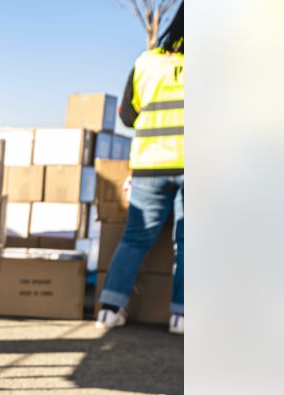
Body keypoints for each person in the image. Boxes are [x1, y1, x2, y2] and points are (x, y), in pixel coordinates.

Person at [96, 4, 184, 335]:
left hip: (149, 164)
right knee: (189, 242)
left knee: (134, 239)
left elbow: (126, 115)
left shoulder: (146, 62)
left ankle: (109, 310)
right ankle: (182, 316)